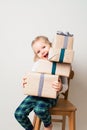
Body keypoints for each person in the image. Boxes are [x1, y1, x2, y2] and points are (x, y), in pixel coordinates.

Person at [14, 36, 68, 130]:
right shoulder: (37, 65)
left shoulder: (59, 64)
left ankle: (48, 125)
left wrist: (60, 87)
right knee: (19, 114)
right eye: (38, 51)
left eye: (44, 47)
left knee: (39, 109)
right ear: (36, 55)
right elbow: (32, 80)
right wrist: (26, 82)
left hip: (50, 97)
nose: (42, 51)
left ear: (51, 45)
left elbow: (65, 86)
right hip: (34, 95)